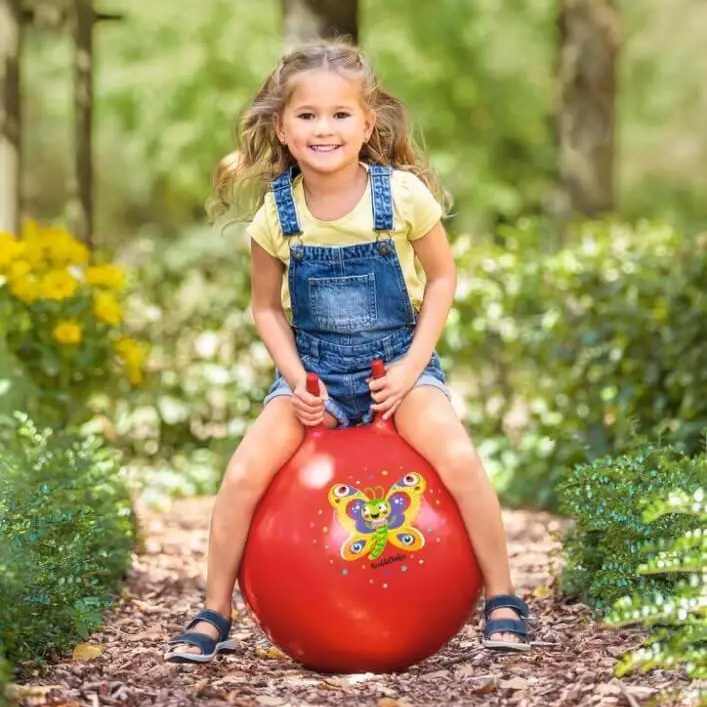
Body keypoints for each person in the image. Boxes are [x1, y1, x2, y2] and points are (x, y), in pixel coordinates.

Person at [164, 40, 530, 663]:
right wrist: (299, 381)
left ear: (368, 124)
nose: (324, 128)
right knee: (243, 474)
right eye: (307, 115)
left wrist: (414, 366)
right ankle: (214, 611)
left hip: (400, 366)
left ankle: (503, 598)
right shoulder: (276, 215)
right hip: (314, 375)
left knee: (460, 458)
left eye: (340, 114)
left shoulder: (404, 197)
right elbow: (266, 308)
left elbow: (443, 279)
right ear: (281, 127)